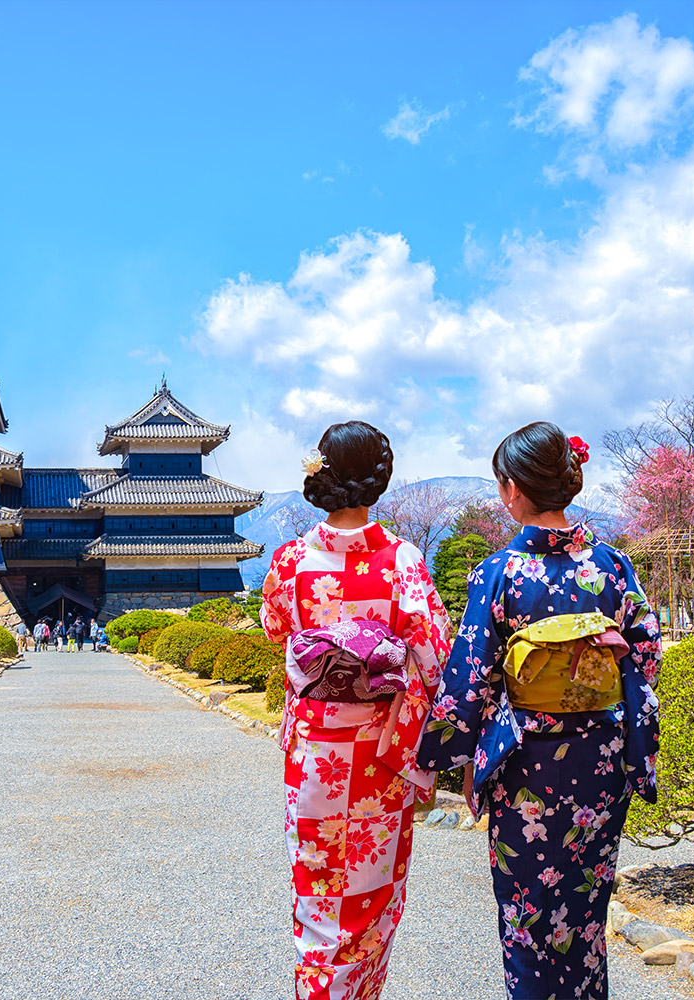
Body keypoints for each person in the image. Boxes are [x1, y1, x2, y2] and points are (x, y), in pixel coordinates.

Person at [417, 422, 661, 1000]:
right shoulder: (613, 566)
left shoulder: (497, 573)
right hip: (599, 758)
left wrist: (442, 754)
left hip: (526, 759)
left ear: (511, 490)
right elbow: (646, 656)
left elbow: (470, 678)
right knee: (585, 908)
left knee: (527, 914)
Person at [259, 421, 452, 1000]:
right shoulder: (403, 561)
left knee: (317, 898)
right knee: (369, 901)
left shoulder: (292, 561)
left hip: (315, 755)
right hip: (379, 756)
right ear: (379, 478)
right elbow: (435, 654)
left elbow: (275, 628)